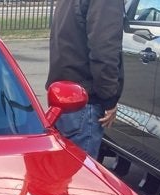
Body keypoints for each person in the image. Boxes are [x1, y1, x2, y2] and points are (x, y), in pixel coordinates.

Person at [46, 0, 124, 158]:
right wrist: (109, 98)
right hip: (84, 100)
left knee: (65, 172)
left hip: (63, 95)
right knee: (81, 174)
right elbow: (104, 49)